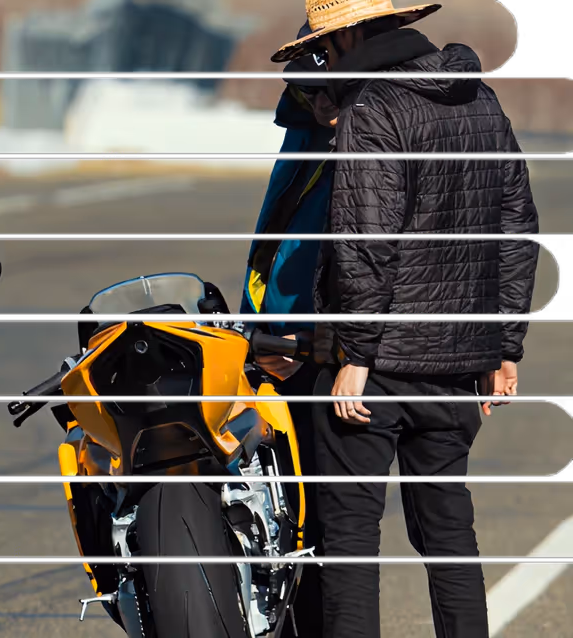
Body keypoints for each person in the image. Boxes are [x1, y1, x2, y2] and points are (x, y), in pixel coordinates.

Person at [271, 2, 541, 637]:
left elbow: (365, 243)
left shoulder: (374, 108)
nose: (323, 61)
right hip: (458, 365)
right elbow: (518, 229)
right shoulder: (481, 102)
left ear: (351, 36)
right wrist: (506, 348)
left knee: (351, 544)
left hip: (377, 370)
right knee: (450, 539)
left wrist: (356, 361)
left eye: (326, 48)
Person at [239, 20, 339, 638]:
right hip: (281, 347)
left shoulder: (364, 129)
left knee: (329, 523)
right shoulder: (306, 128)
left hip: (326, 351)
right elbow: (272, 238)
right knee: (289, 519)